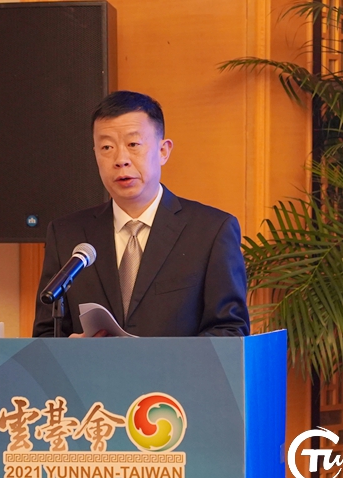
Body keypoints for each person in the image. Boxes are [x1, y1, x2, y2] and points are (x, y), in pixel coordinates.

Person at [32, 91, 249, 337]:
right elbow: (45, 334)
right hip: (89, 365)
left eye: (133, 144)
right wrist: (70, 350)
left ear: (163, 151)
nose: (120, 160)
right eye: (107, 147)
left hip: (175, 365)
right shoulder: (66, 235)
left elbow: (230, 331)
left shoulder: (211, 231)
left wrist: (164, 358)